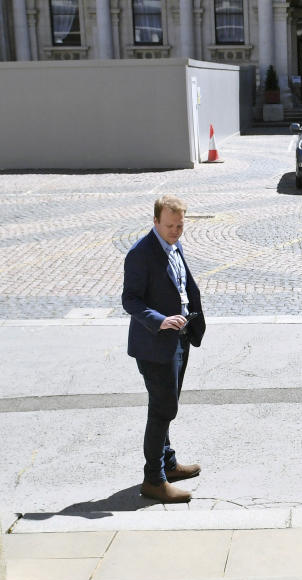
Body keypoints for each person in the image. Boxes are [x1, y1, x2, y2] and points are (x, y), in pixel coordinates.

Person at [122, 195, 207, 503]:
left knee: (167, 405)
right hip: (155, 344)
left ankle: (167, 464)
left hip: (179, 339)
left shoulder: (172, 245)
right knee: (162, 409)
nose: (175, 231)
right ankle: (154, 479)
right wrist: (159, 320)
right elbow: (130, 300)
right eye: (169, 225)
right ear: (155, 221)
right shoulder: (141, 254)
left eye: (180, 225)